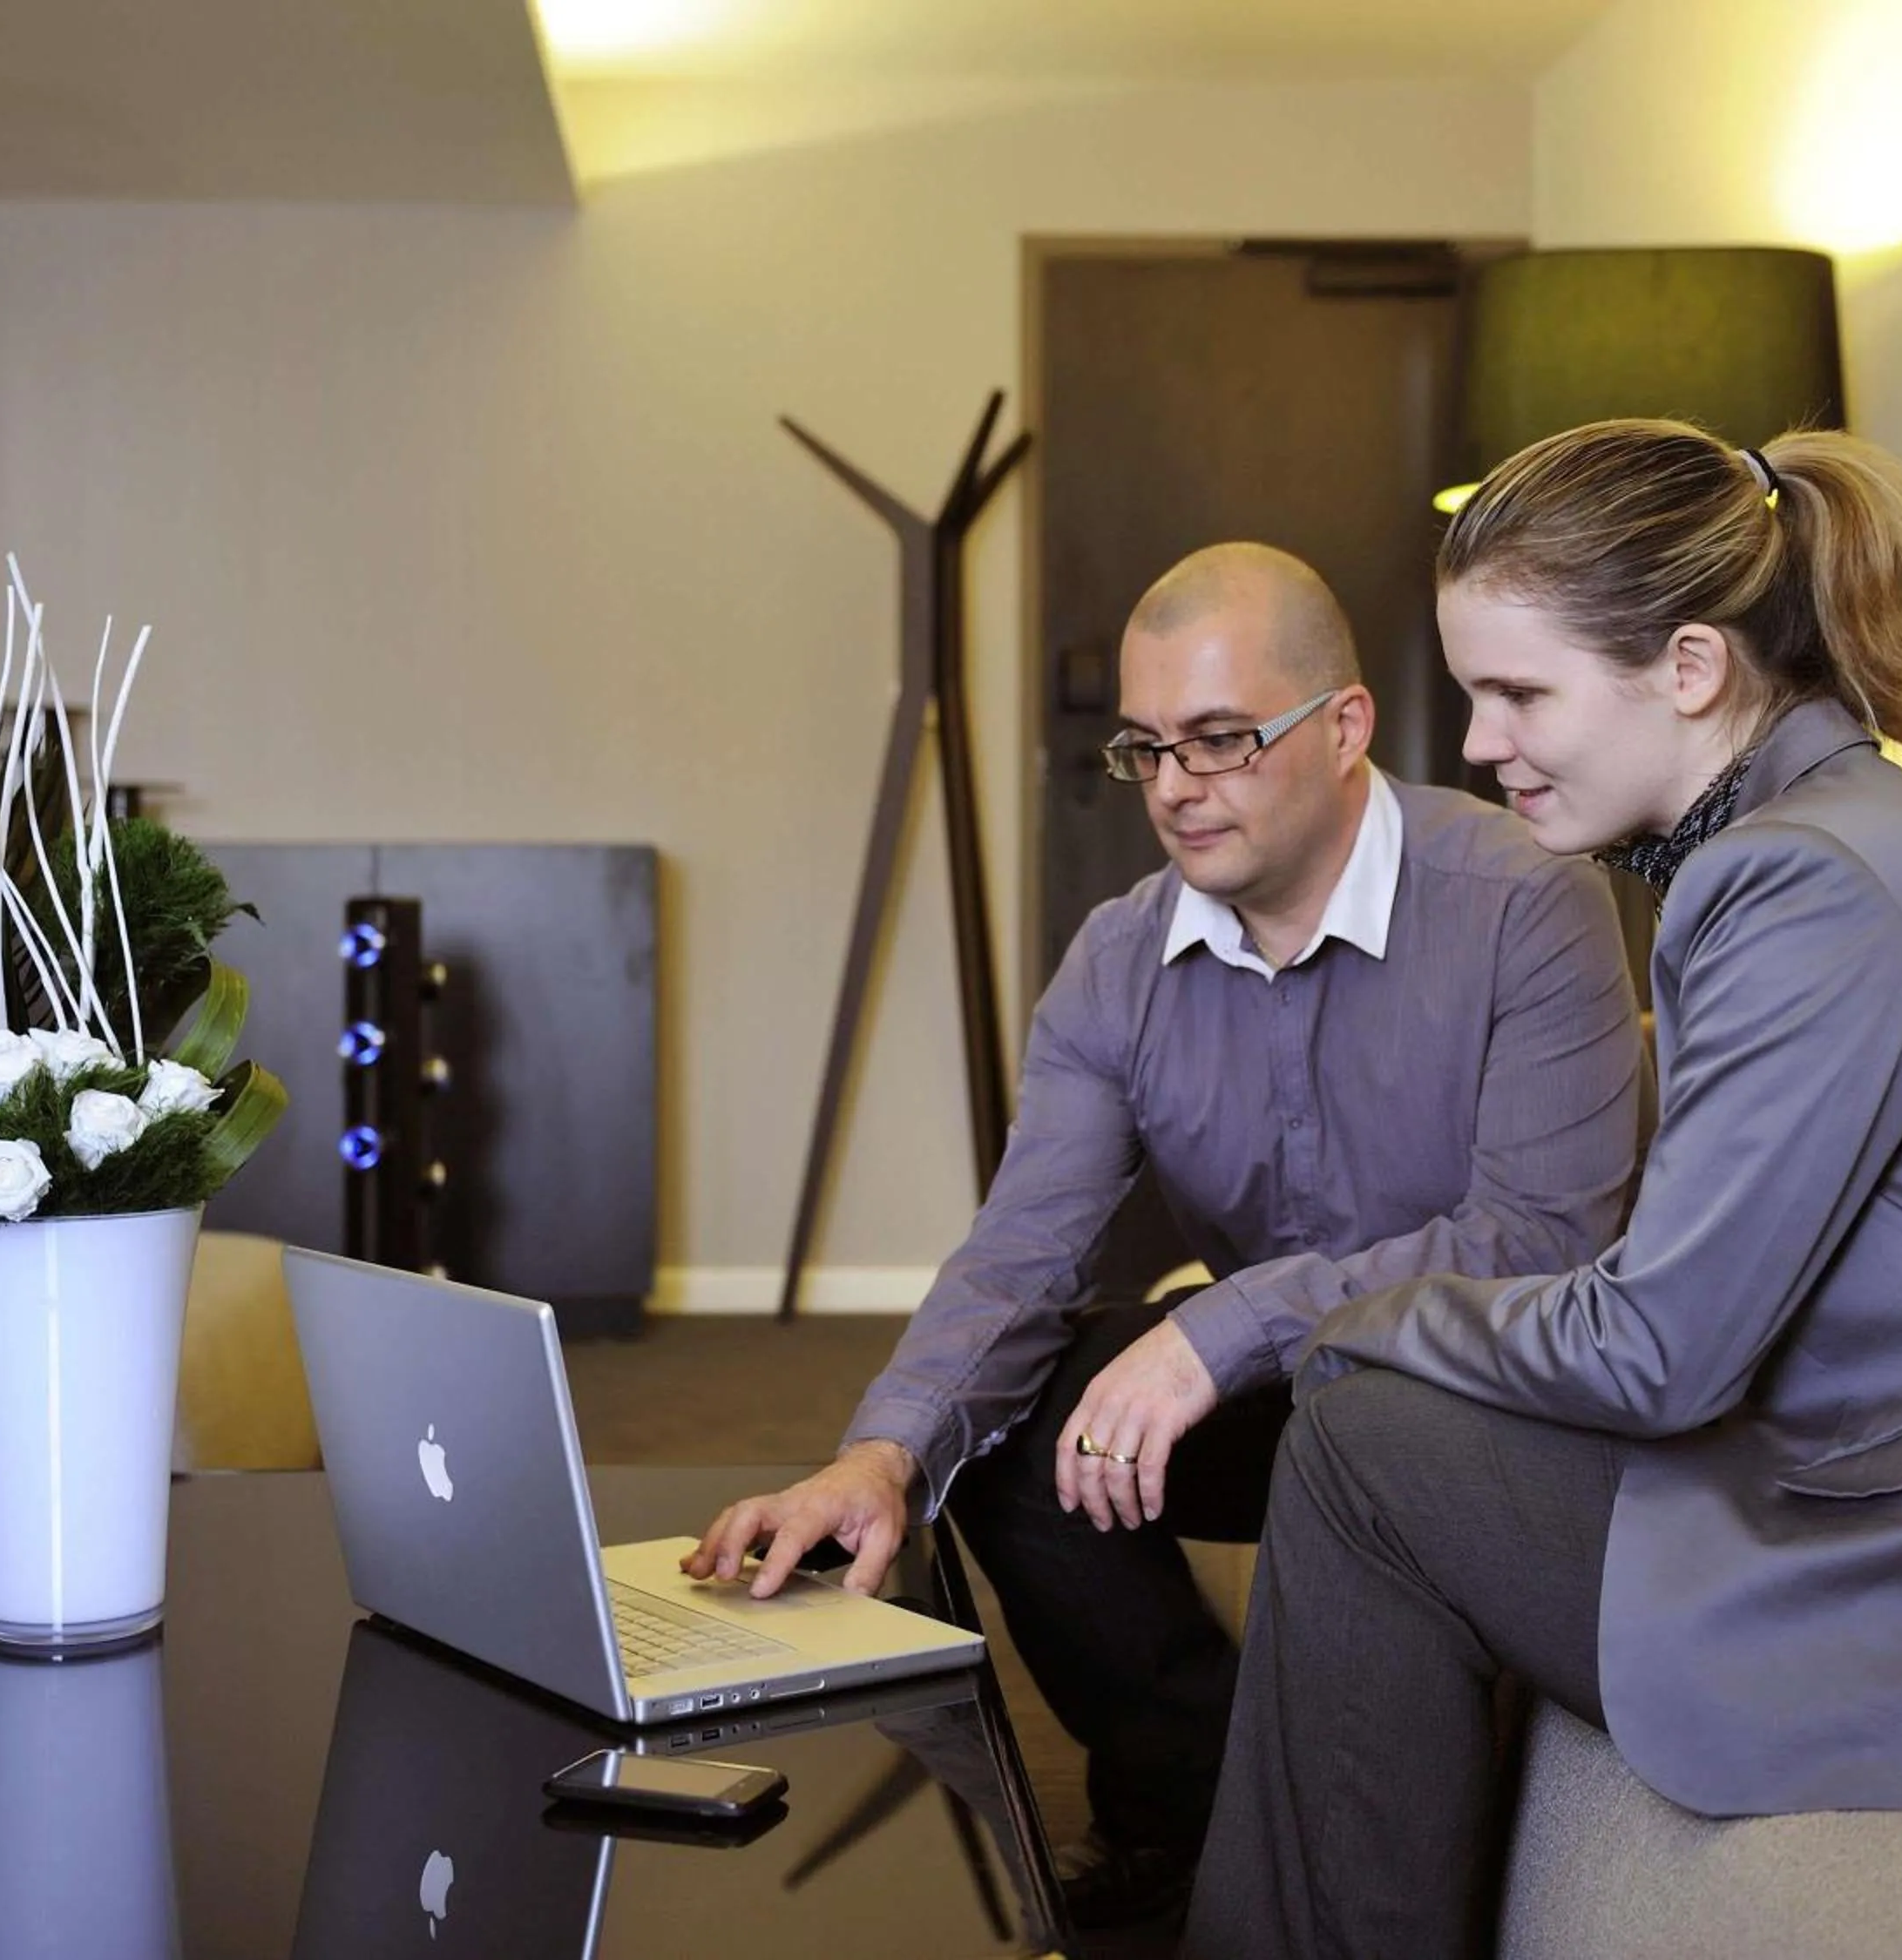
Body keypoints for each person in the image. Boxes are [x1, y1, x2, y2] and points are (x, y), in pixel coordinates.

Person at [1182, 421, 1902, 1959]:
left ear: (1689, 667)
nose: (1477, 742)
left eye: (1520, 692)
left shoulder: (1804, 883)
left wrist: (1355, 1318)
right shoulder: (1823, 838)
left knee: (1365, 1441)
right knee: (1390, 1423)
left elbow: (1659, 1347)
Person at [687, 542, 1646, 1927]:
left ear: (1346, 727)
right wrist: (879, 1455)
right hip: (1285, 1396)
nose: (1176, 785)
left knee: (1276, 1397)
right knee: (1023, 1426)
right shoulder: (1118, 958)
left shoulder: (1526, 900)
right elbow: (1021, 1250)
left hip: (1488, 1403)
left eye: (1220, 738)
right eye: (1146, 747)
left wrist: (1223, 1323)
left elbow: (1538, 1240)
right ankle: (1192, 1805)